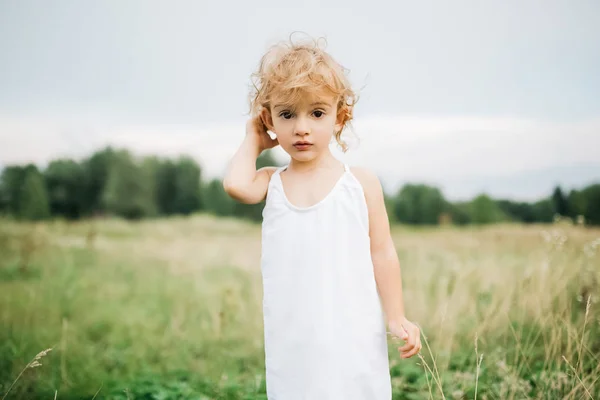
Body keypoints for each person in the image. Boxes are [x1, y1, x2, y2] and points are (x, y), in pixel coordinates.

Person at [223, 34, 421, 399]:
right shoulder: (271, 183)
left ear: (339, 117)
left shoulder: (360, 183)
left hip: (354, 330)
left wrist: (396, 316)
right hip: (294, 337)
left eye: (317, 113)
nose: (301, 127)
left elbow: (383, 252)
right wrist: (253, 138)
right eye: (286, 114)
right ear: (269, 120)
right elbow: (236, 185)